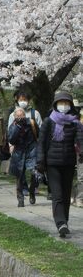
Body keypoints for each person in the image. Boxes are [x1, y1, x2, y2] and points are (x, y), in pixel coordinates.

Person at [36, 92, 83, 237]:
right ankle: (60, 223)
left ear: (70, 105)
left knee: (66, 193)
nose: (64, 105)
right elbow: (41, 143)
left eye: (66, 103)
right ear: (56, 104)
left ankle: (65, 221)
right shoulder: (48, 121)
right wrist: (40, 162)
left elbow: (80, 141)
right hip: (52, 164)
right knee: (57, 194)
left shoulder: (75, 122)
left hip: (68, 163)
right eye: (61, 103)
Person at [8, 108, 38, 207]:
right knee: (19, 177)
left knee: (35, 173)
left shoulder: (31, 123)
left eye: (22, 115)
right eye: (18, 116)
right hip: (19, 152)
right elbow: (11, 140)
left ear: (25, 115)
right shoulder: (13, 125)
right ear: (15, 117)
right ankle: (20, 199)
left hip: (31, 150)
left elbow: (38, 134)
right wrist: (17, 126)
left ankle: (32, 191)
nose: (20, 117)